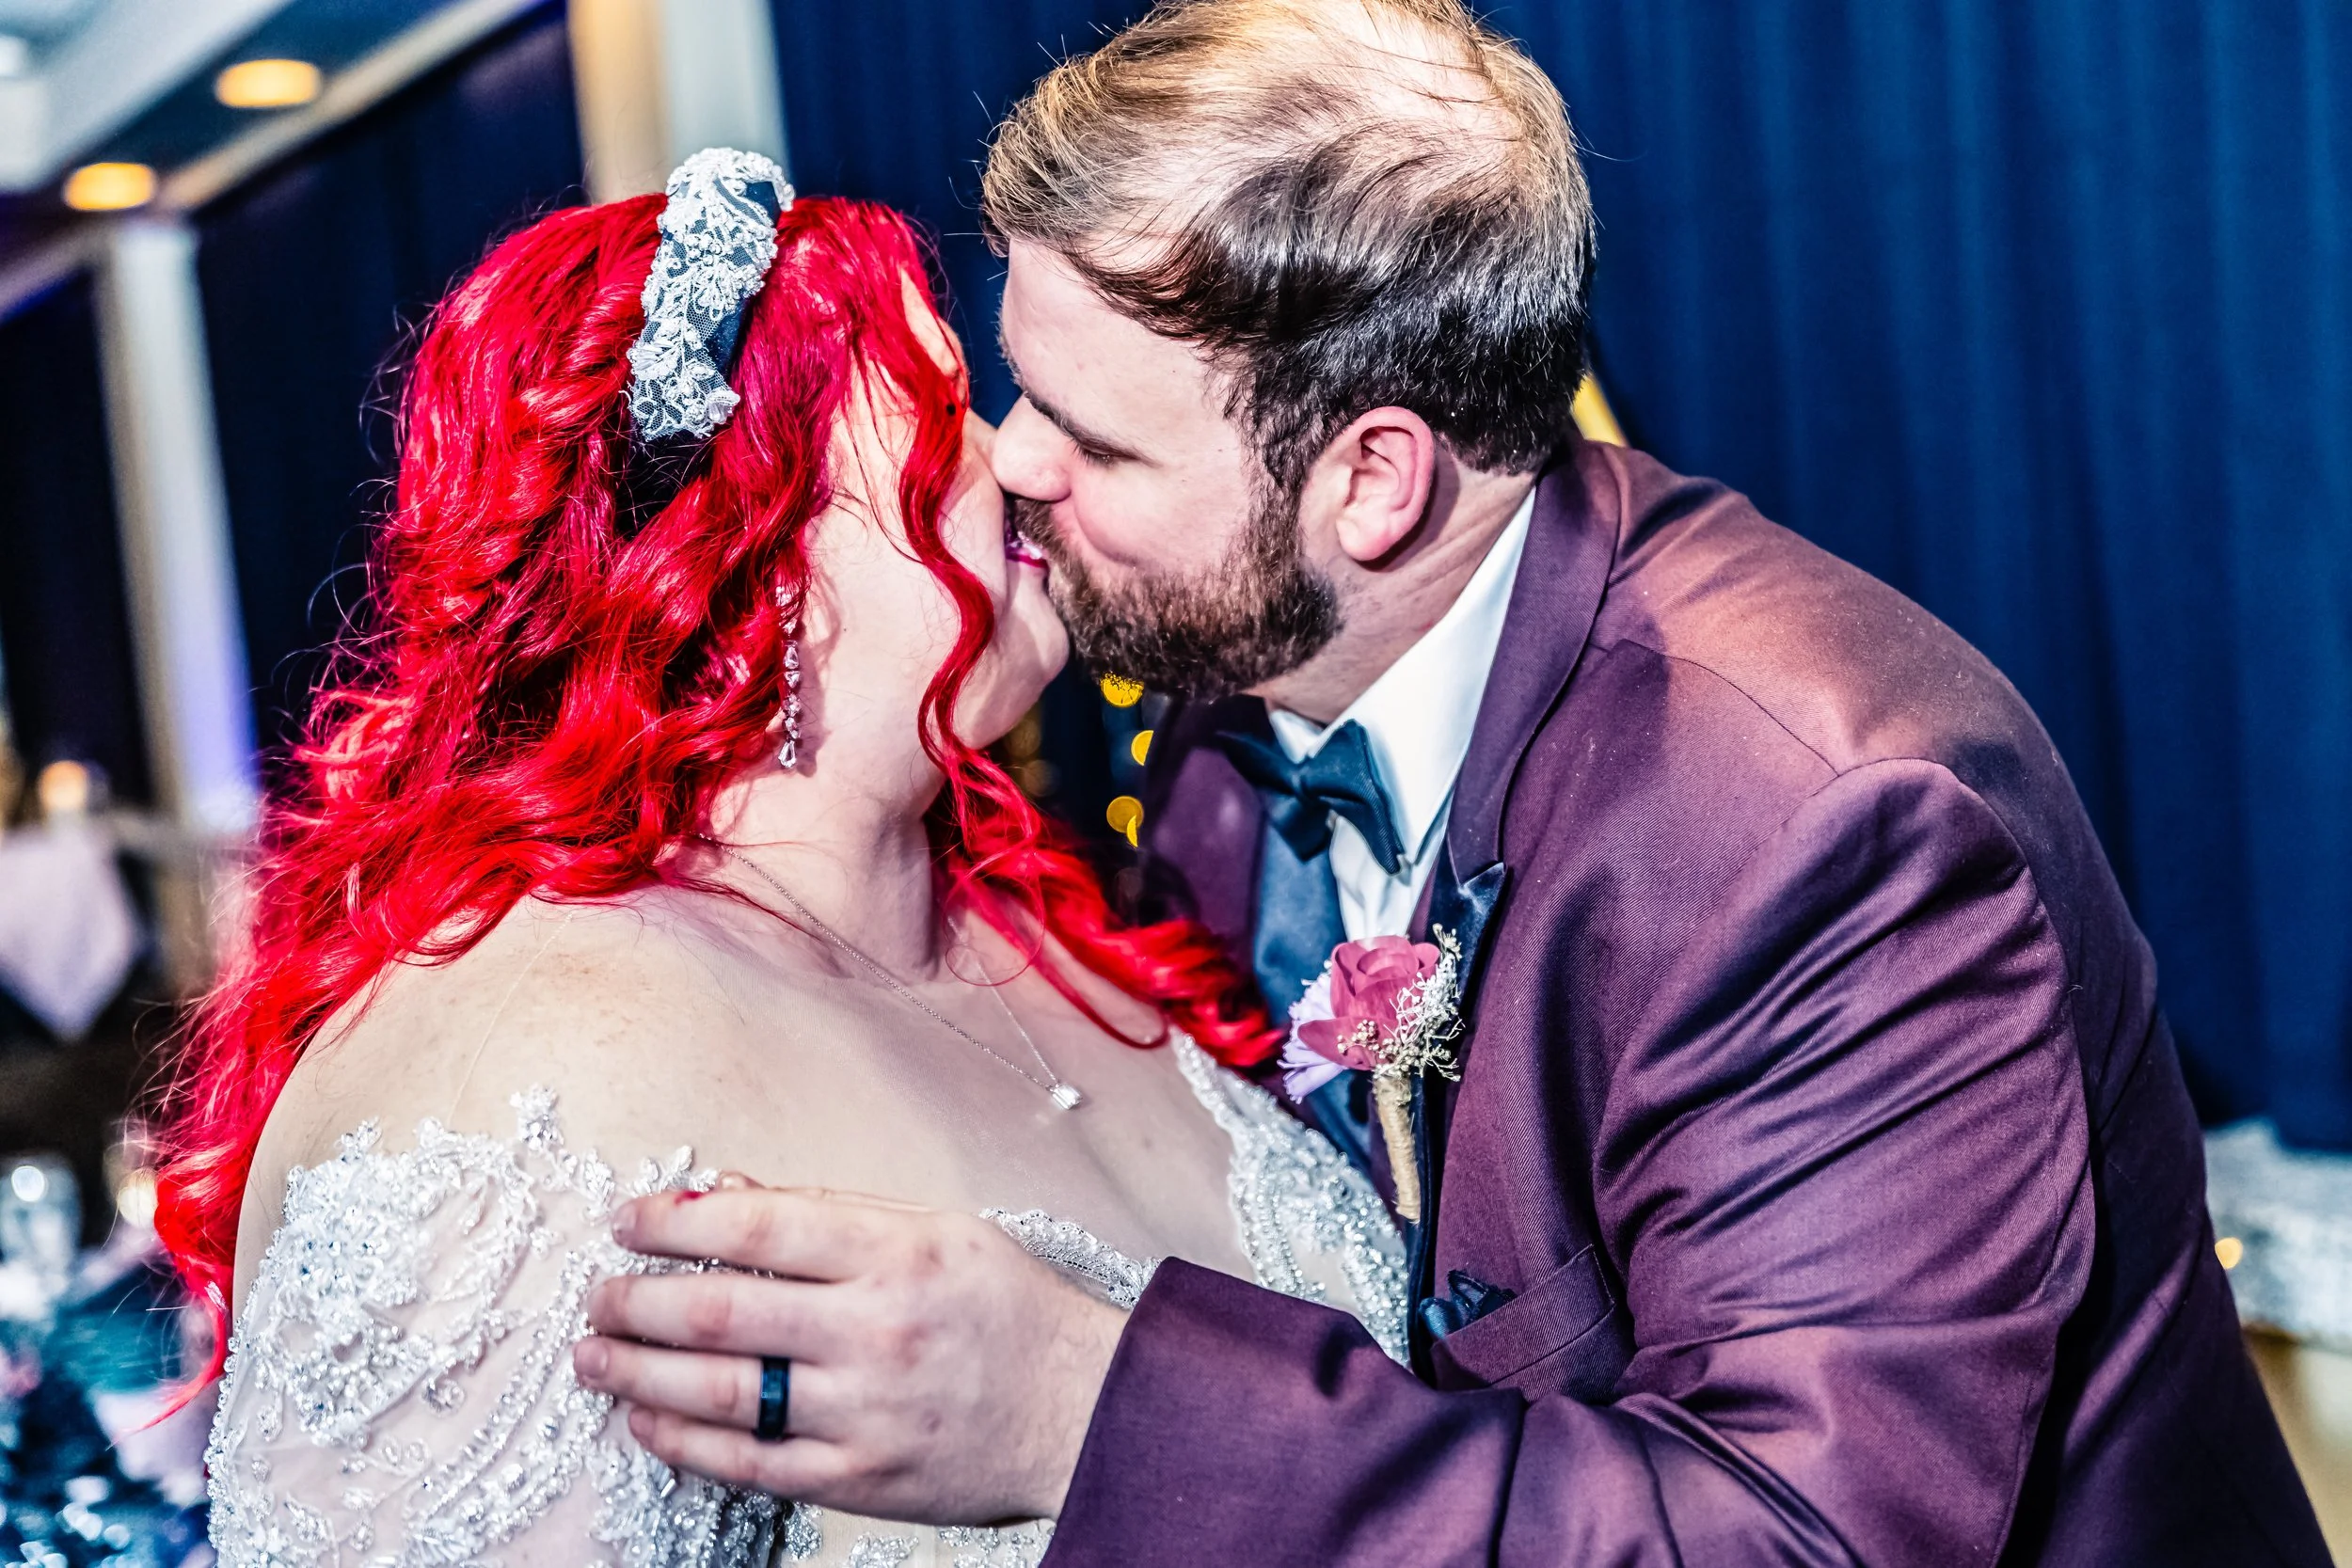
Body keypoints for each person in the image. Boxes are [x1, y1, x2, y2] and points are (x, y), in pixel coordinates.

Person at [574, 4, 2332, 1564]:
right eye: (1027, 389)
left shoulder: (1836, 828)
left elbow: (1797, 1535)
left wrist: (1082, 1409)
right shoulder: (1224, 695)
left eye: (1095, 437)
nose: (1010, 470)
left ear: (1372, 483)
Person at [157, 150, 1409, 1568]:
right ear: (753, 568)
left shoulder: (1043, 920)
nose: (1018, 461)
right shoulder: (532, 1075)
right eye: (944, 425)